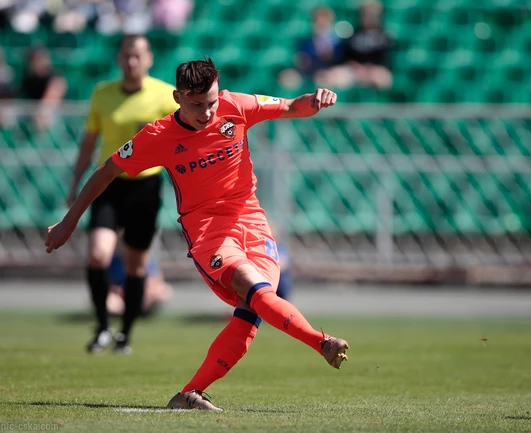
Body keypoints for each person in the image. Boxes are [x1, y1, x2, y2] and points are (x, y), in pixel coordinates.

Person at [46, 57, 349, 410]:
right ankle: (321, 342)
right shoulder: (158, 136)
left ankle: (189, 394)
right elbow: (106, 171)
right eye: (196, 105)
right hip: (208, 231)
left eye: (211, 102)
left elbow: (293, 106)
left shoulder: (237, 105)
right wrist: (69, 221)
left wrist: (316, 100)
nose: (207, 112)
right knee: (252, 288)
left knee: (252, 309)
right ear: (177, 98)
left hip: (253, 221)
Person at [66, 34, 178, 355]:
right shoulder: (103, 93)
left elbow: (183, 141)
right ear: (119, 58)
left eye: (137, 55)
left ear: (149, 59)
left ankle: (125, 334)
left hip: (145, 186)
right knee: (98, 254)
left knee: (136, 266)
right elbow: (89, 142)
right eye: (127, 55)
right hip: (109, 183)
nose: (131, 61)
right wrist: (75, 185)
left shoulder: (164, 95)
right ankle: (102, 327)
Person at [20, 45, 67, 130]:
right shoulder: (28, 78)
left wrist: (39, 112)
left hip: (50, 112)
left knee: (43, 116)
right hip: (30, 110)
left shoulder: (55, 76)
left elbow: (50, 102)